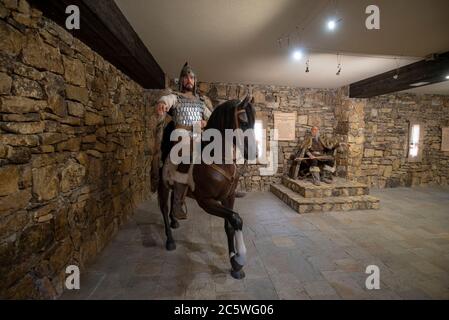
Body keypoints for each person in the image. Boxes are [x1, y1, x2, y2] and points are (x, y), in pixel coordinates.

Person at [155, 62, 212, 219]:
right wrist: (162, 103)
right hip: (181, 137)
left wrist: (205, 123)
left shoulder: (201, 102)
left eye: (192, 77)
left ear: (195, 81)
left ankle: (223, 188)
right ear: (181, 80)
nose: (189, 79)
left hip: (198, 137)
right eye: (186, 77)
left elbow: (211, 118)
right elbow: (167, 99)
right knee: (186, 154)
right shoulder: (176, 97)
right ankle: (177, 204)